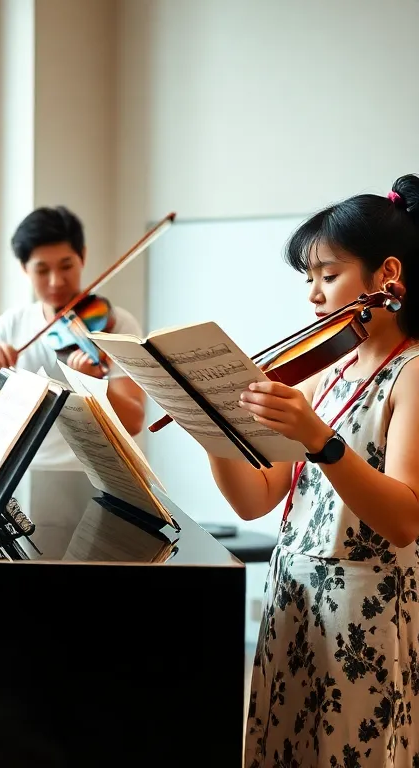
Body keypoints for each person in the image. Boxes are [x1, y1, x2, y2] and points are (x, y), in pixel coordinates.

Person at [209, 176, 419, 767]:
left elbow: (404, 519)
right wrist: (213, 428)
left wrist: (320, 440)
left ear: (386, 275)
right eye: (310, 279)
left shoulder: (413, 374)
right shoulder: (330, 372)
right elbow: (258, 497)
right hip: (295, 599)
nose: (315, 295)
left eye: (328, 275)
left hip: (364, 612)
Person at [0, 206, 148, 521]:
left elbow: (134, 421)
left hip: (94, 481)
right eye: (42, 270)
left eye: (66, 266)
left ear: (83, 256)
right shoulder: (14, 323)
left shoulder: (116, 323)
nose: (56, 281)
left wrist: (92, 387)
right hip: (16, 477)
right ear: (24, 268)